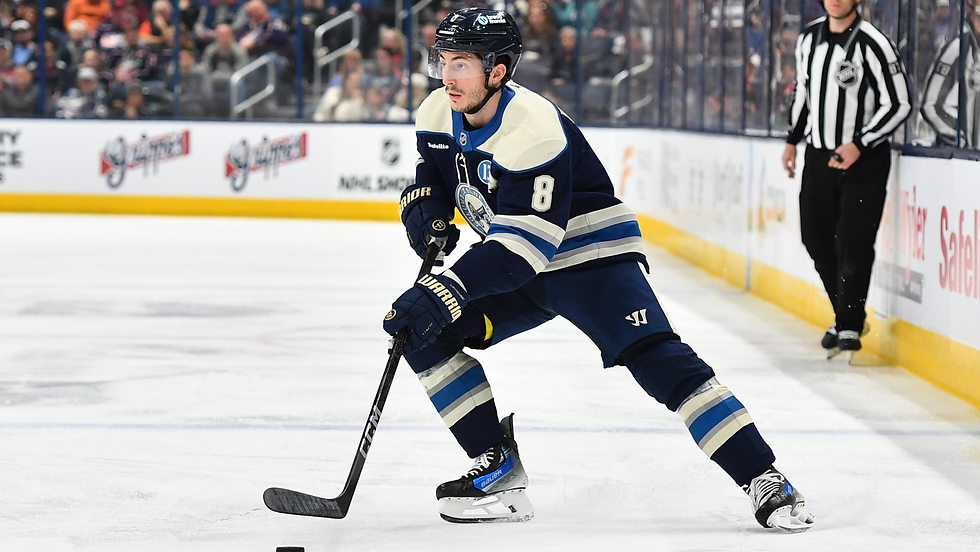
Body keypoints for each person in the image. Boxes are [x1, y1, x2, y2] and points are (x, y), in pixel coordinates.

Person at [382, 7, 815, 532]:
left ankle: (765, 478)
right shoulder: (436, 110)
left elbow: (525, 246)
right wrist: (424, 207)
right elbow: (435, 173)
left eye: (462, 64)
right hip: (520, 262)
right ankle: (498, 470)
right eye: (443, 61)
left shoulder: (533, 127)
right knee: (421, 332)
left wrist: (447, 287)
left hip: (590, 257)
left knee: (659, 362)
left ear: (497, 71)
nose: (447, 77)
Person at [781, 0, 911, 358]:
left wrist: (860, 144)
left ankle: (849, 324)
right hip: (819, 156)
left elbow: (899, 103)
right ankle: (844, 315)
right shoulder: (808, 39)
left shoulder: (874, 43)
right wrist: (792, 140)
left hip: (864, 161)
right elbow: (804, 93)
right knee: (815, 238)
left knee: (853, 242)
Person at [920, 0, 980, 148]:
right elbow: (931, 105)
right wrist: (960, 139)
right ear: (973, 16)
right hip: (961, 156)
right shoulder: (957, 48)